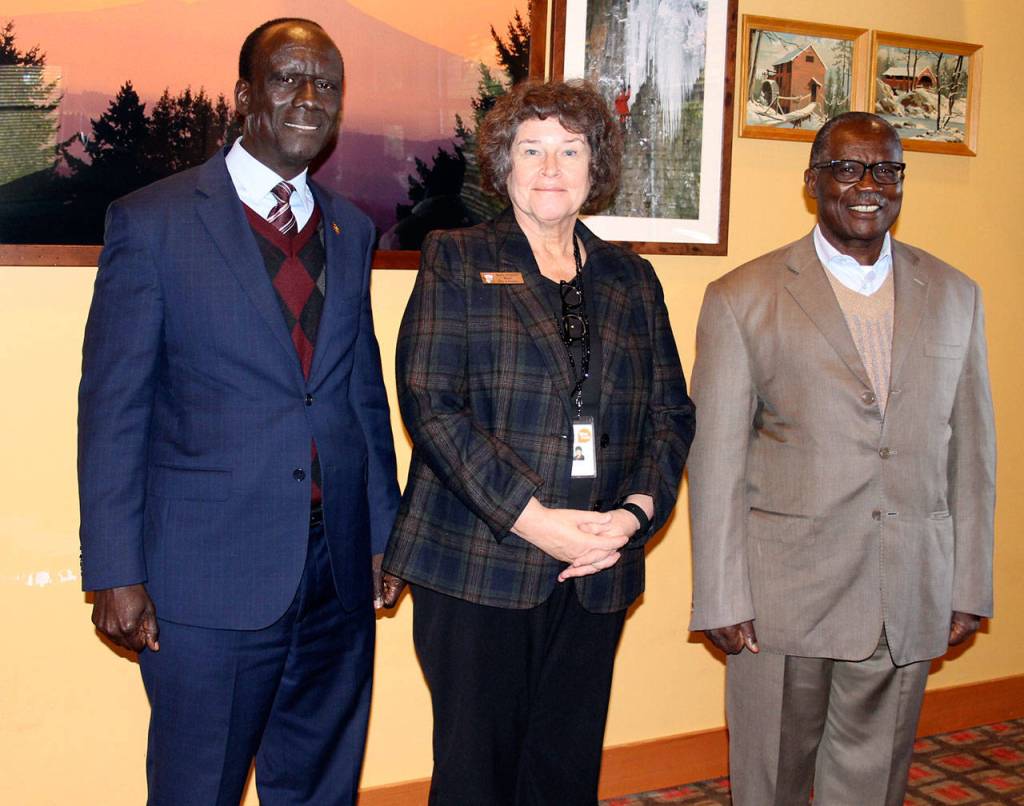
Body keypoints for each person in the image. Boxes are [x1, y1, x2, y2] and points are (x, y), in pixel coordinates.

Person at [77, 18, 400, 805]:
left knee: (323, 785)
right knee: (198, 788)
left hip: (337, 572)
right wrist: (115, 570)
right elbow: (112, 409)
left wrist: (387, 533)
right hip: (207, 578)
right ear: (244, 95)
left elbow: (361, 389)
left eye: (326, 83)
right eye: (288, 77)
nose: (309, 97)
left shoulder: (350, 228)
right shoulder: (152, 222)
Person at [380, 80, 695, 805]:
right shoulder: (456, 258)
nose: (550, 168)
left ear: (595, 168)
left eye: (570, 150)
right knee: (476, 775)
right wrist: (534, 520)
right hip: (479, 563)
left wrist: (635, 516)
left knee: (563, 769)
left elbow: (670, 414)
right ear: (505, 164)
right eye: (532, 150)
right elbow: (432, 404)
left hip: (597, 565)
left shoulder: (632, 279)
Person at [688, 111, 995, 805]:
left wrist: (968, 580)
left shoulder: (955, 294)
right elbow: (715, 462)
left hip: (908, 589)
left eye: (887, 169)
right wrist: (721, 592)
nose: (869, 185)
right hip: (781, 600)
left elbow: (973, 454)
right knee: (771, 781)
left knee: (873, 784)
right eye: (848, 168)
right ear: (813, 182)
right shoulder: (743, 298)